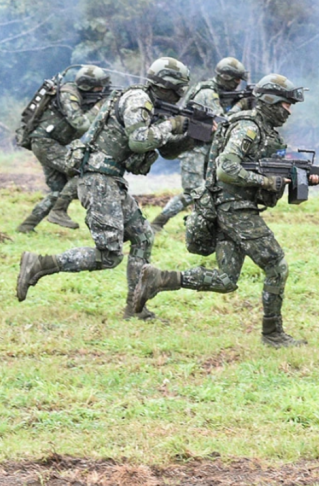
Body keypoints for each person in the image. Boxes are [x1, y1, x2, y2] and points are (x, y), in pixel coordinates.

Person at [131, 74, 319, 347]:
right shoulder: (248, 128)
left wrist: (305, 177)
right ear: (270, 101)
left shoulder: (265, 131)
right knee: (276, 265)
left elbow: (272, 167)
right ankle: (273, 334)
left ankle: (158, 279)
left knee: (225, 280)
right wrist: (267, 181)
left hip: (228, 208)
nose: (288, 111)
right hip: (234, 209)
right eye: (285, 105)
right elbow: (227, 167)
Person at [16, 58, 194, 318]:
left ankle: (136, 308)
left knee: (143, 237)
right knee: (109, 255)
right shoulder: (138, 100)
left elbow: (166, 151)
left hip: (110, 179)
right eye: (180, 88)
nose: (181, 94)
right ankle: (39, 264)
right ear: (169, 86)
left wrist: (193, 136)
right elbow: (139, 141)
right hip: (98, 179)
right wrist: (172, 124)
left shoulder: (151, 104)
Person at [150, 57, 250, 232]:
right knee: (193, 191)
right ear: (225, 77)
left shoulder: (220, 93)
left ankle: (199, 223)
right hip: (193, 147)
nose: (238, 83)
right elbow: (221, 123)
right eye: (236, 79)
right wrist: (240, 106)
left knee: (212, 189)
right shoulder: (207, 93)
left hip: (207, 147)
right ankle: (159, 222)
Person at [16, 65, 111, 233]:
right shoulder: (69, 95)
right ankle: (58, 212)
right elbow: (81, 125)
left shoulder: (81, 95)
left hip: (48, 144)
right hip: (45, 143)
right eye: (99, 87)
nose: (102, 90)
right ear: (87, 86)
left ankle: (26, 227)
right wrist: (99, 107)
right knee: (85, 169)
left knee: (57, 191)